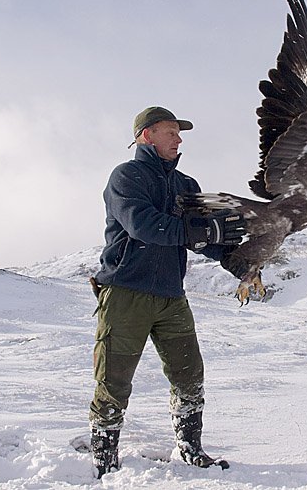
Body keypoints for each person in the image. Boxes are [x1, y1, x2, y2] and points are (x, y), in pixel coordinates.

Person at [89, 106, 245, 478]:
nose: (178, 139)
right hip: (126, 292)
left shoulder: (186, 185)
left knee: (189, 373)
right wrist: (199, 232)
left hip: (172, 296)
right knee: (114, 380)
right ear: (147, 136)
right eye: (170, 131)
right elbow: (143, 225)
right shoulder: (126, 177)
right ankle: (104, 459)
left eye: (179, 133)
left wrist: (236, 257)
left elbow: (201, 236)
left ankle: (191, 448)